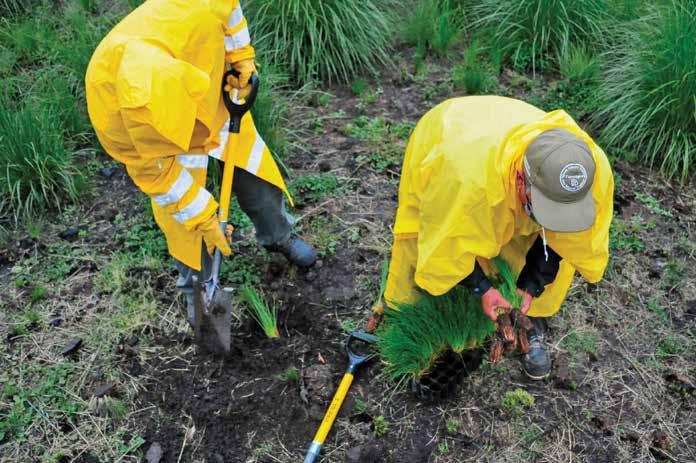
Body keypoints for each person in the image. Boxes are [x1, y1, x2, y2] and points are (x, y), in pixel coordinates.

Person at [85, 0, 317, 326]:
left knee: (254, 175)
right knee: (185, 225)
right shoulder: (108, 105)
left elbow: (229, 10)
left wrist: (240, 56)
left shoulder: (194, 6)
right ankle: (198, 289)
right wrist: (203, 215)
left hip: (214, 102)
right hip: (162, 152)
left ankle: (279, 235)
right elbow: (155, 175)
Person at [367, 96, 614, 380]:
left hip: (502, 140)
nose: (553, 221)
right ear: (520, 179)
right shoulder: (466, 184)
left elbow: (569, 239)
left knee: (519, 243)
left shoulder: (589, 174)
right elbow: (446, 246)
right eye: (547, 208)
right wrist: (481, 288)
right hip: (451, 139)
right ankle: (402, 313)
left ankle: (529, 317)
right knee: (429, 239)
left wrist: (532, 283)